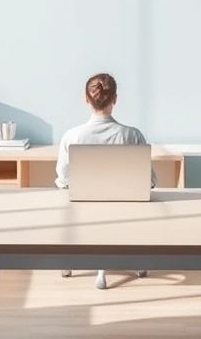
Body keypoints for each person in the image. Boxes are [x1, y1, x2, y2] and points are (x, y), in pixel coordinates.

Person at [55, 72, 155, 290]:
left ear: (86, 99)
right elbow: (150, 181)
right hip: (125, 209)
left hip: (83, 209)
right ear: (115, 99)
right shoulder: (132, 136)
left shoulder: (72, 137)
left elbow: (63, 181)